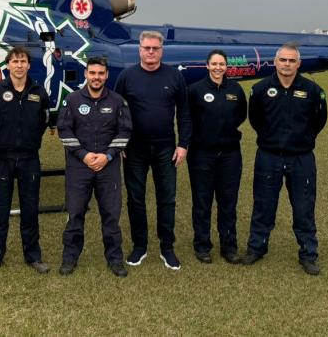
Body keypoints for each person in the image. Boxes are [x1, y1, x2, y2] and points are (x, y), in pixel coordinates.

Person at [243, 43, 327, 275]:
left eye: (292, 61)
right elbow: (255, 120)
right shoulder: (260, 89)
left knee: (303, 208)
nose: (287, 64)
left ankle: (308, 254)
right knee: (263, 205)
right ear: (275, 62)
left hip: (301, 159)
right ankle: (256, 248)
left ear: (299, 64)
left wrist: (300, 139)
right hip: (268, 157)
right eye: (283, 60)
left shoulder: (312, 90)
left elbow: (319, 121)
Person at [114, 30, 191, 270]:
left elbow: (185, 113)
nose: (150, 52)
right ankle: (140, 246)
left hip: (166, 149)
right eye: (146, 48)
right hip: (134, 149)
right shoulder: (127, 76)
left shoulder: (174, 76)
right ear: (139, 50)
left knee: (166, 199)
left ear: (161, 50)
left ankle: (167, 247)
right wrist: (120, 142)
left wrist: (183, 144)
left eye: (155, 48)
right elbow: (116, 111)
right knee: (135, 199)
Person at [0, 46, 51, 275]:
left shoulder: (39, 92)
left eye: (23, 61)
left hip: (29, 158)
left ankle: (33, 256)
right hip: (1, 158)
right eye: (14, 61)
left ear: (29, 65)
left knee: (30, 209)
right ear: (7, 65)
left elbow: (43, 121)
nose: (19, 65)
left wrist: (28, 140)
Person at [57, 57, 132, 277]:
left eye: (100, 73)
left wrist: (108, 156)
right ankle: (69, 258)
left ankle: (115, 259)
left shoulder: (118, 101)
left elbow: (125, 132)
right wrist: (85, 155)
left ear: (106, 75)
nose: (96, 77)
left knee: (111, 215)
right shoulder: (71, 100)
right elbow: (64, 131)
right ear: (86, 74)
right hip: (79, 167)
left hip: (107, 168)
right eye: (92, 73)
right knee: (75, 215)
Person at [186, 50, 247, 265]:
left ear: (226, 66)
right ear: (207, 65)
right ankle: (202, 246)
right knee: (202, 202)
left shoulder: (236, 90)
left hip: (230, 155)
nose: (218, 67)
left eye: (222, 64)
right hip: (201, 154)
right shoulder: (195, 90)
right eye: (214, 64)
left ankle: (229, 247)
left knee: (228, 203)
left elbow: (241, 115)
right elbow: (187, 119)